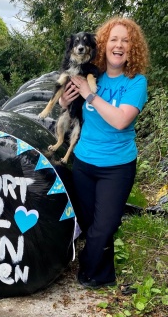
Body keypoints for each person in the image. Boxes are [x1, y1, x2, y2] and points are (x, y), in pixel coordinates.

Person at [59, 17, 149, 289]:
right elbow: (66, 102)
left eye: (125, 40)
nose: (119, 45)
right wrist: (65, 99)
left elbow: (121, 120)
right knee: (89, 222)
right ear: (104, 45)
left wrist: (90, 95)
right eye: (113, 39)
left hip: (117, 167)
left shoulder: (136, 82)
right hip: (84, 161)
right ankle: (103, 274)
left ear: (132, 48)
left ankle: (87, 269)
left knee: (104, 226)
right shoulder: (90, 74)